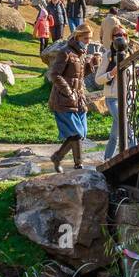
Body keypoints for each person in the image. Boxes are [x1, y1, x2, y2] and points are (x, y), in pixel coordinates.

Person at [48, 25, 94, 172]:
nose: (88, 41)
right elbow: (55, 74)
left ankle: (57, 157)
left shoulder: (81, 53)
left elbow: (77, 77)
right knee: (76, 133)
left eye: (89, 38)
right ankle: (78, 165)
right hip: (64, 99)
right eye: (85, 38)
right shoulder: (65, 52)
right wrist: (68, 91)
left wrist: (90, 65)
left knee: (81, 134)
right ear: (78, 37)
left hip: (78, 99)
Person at [97, 31, 134, 160]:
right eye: (116, 36)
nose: (120, 38)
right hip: (112, 99)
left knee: (114, 134)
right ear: (112, 39)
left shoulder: (131, 54)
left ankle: (107, 158)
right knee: (125, 122)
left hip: (127, 98)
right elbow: (98, 79)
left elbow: (131, 79)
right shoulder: (108, 55)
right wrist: (111, 74)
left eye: (123, 35)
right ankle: (134, 150)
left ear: (126, 37)